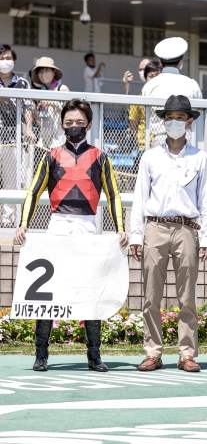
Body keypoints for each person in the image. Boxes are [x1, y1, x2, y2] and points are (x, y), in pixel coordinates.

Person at [14, 98, 127, 372]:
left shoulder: (100, 157)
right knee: (48, 296)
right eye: (68, 123)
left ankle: (94, 356)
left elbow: (113, 195)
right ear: (62, 125)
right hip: (58, 227)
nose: (73, 126)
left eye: (78, 122)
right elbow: (33, 191)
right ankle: (41, 355)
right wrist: (23, 224)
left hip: (88, 227)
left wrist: (120, 228)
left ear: (88, 124)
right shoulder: (51, 155)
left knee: (91, 293)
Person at [130, 95, 207, 373]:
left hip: (187, 227)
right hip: (154, 226)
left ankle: (187, 353)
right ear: (163, 121)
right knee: (151, 294)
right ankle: (152, 351)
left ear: (189, 121)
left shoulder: (200, 157)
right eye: (170, 117)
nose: (174, 122)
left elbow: (206, 199)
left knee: (186, 295)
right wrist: (136, 234)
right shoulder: (150, 156)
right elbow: (140, 197)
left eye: (180, 117)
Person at [141, 37, 202, 147]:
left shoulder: (149, 85)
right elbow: (199, 117)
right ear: (181, 62)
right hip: (186, 139)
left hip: (158, 140)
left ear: (160, 62)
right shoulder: (192, 84)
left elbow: (146, 115)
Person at [0, 44, 35, 227]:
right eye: (2, 58)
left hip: (12, 140)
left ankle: (8, 221)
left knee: (11, 182)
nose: (5, 62)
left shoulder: (22, 82)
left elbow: (28, 106)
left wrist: (28, 128)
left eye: (8, 58)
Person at [128, 59, 162, 152]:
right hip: (143, 145)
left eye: (156, 76)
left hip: (162, 142)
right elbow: (133, 123)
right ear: (146, 77)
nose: (154, 79)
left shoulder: (167, 96)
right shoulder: (139, 98)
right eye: (151, 76)